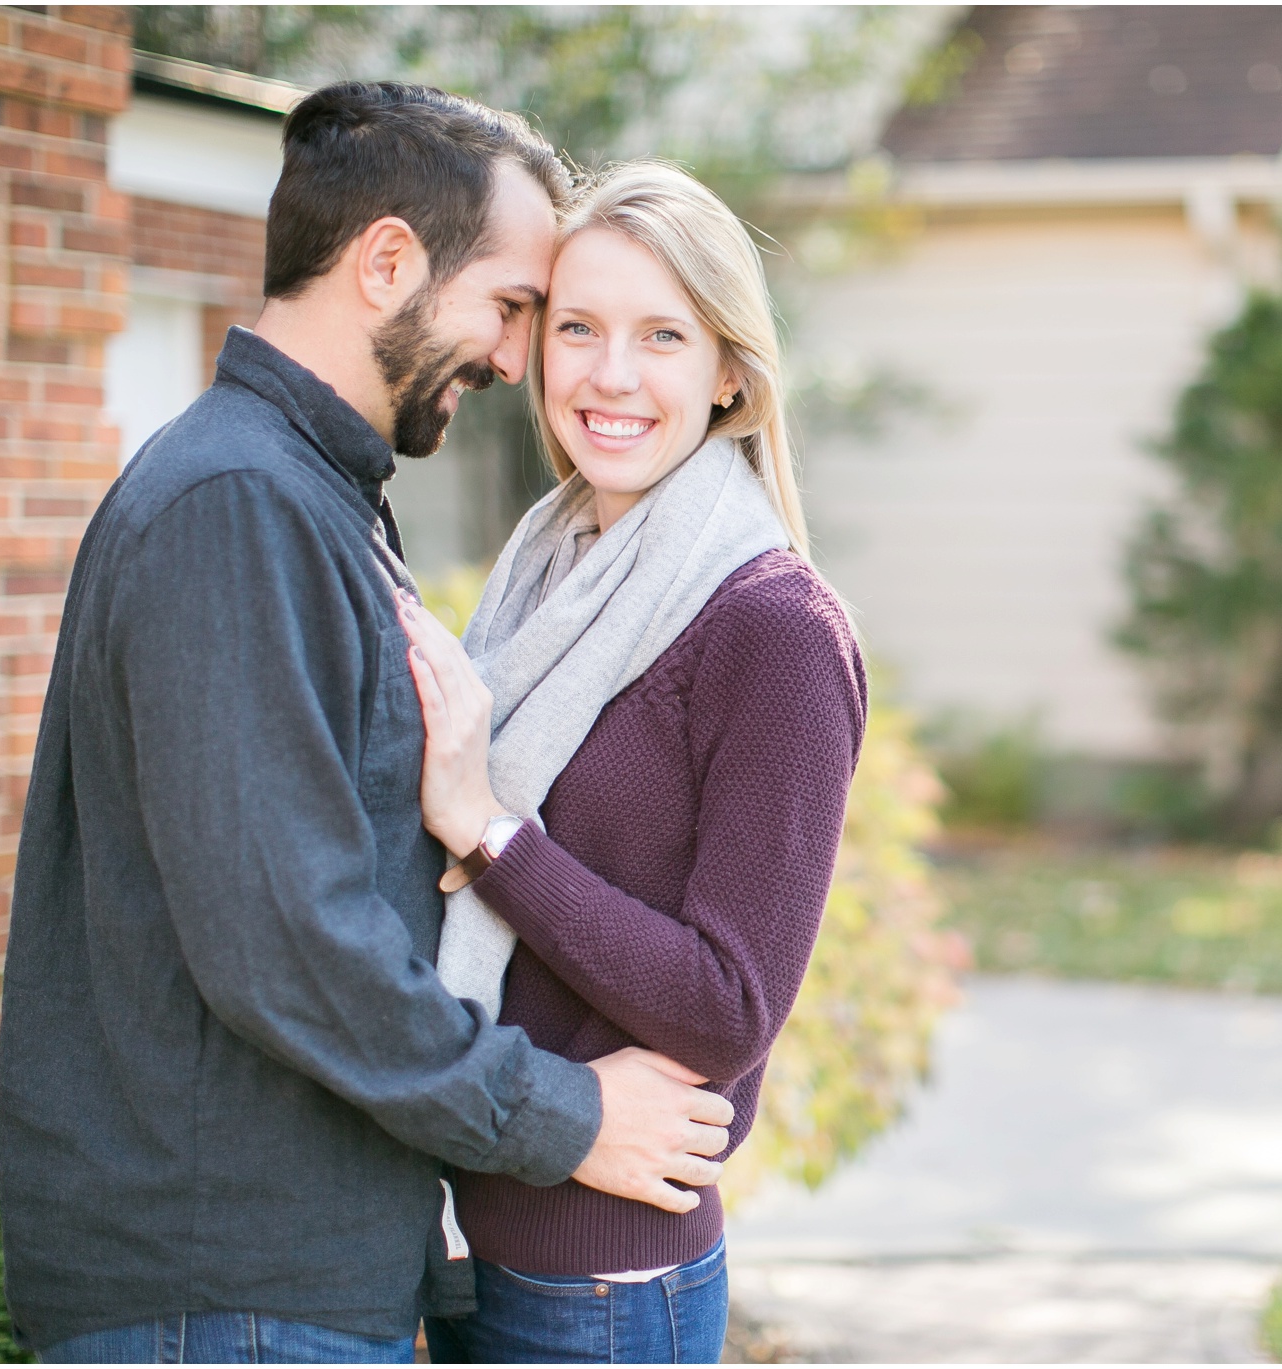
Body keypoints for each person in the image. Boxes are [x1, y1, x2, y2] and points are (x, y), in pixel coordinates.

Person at [0, 84, 731, 1365]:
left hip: (270, 1290)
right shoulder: (238, 507)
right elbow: (289, 941)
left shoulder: (310, 498)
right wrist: (561, 1114)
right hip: (221, 1300)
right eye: (509, 306)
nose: (517, 360)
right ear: (388, 260)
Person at [394, 161, 867, 1363]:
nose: (611, 375)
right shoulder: (550, 567)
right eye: (580, 328)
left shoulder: (770, 626)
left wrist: (489, 832)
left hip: (600, 1289)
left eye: (662, 335)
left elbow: (728, 1008)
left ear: (727, 373)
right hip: (489, 1236)